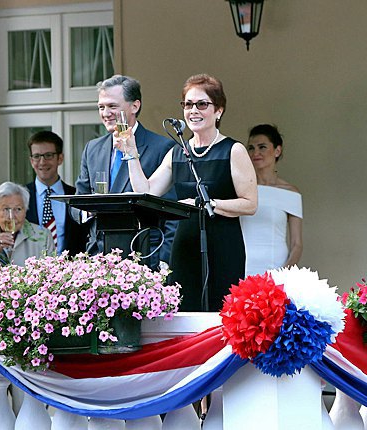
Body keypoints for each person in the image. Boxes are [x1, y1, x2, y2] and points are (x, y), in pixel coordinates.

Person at [114, 73, 257, 312]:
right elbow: (147, 192)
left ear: (218, 110)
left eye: (202, 104)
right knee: (185, 310)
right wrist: (131, 153)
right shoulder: (177, 153)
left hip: (223, 245)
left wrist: (207, 204)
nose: (193, 111)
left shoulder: (233, 150)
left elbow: (250, 204)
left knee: (221, 314)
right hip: (185, 245)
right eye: (188, 104)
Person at [74, 74, 177, 267]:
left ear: (135, 106)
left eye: (112, 106)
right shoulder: (92, 148)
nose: (106, 113)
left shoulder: (162, 147)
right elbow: (78, 202)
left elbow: (172, 215)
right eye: (101, 107)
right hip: (99, 257)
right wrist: (92, 210)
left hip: (144, 257)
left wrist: (163, 261)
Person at [241, 124, 303, 276]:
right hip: (242, 266)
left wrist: (283, 273)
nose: (256, 153)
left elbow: (297, 244)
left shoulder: (290, 192)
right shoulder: (240, 189)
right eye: (251, 148)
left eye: (262, 147)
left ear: (277, 150)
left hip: (277, 268)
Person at [25, 131, 88, 256]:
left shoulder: (76, 196)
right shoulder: (21, 197)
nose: (42, 162)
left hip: (70, 271)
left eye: (48, 155)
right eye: (37, 156)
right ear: (31, 161)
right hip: (29, 271)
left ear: (60, 158)